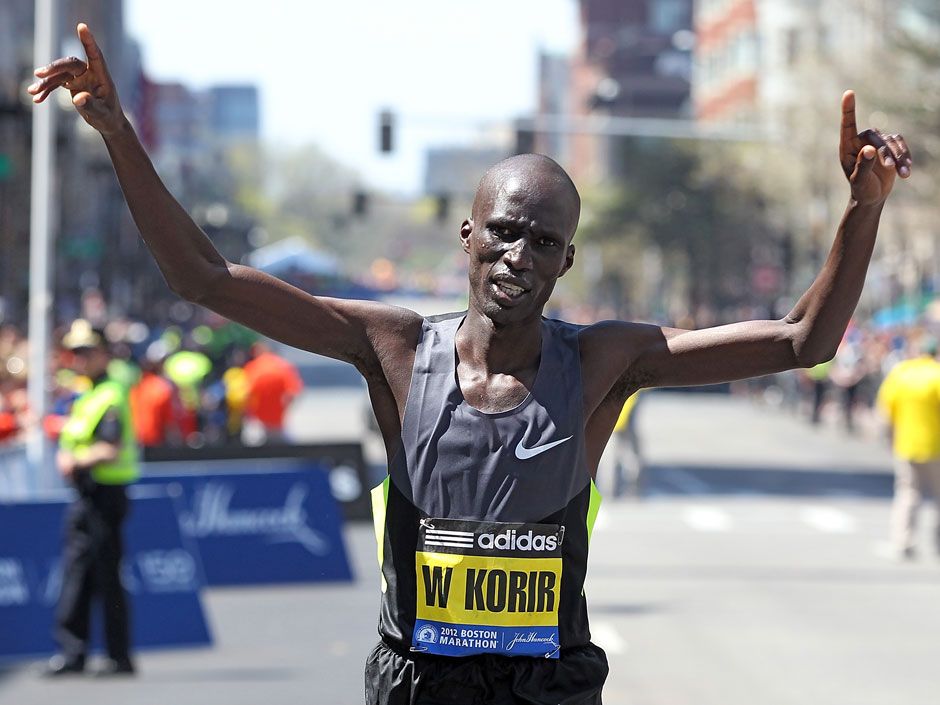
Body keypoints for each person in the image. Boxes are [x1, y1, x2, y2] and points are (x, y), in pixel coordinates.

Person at [29, 23, 911, 703]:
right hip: (417, 679)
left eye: (543, 241)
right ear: (467, 237)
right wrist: (116, 130)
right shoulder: (394, 348)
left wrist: (861, 209)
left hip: (549, 681)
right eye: (502, 231)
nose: (518, 254)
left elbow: (805, 340)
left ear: (566, 262)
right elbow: (205, 277)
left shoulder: (604, 361)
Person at [46, 319, 139, 676]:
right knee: (78, 575)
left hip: (105, 494)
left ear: (103, 353)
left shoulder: (110, 393)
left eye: (87, 351)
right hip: (86, 495)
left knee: (106, 576)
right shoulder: (87, 392)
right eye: (76, 352)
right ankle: (73, 652)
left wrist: (74, 459)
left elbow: (110, 448)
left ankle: (119, 656)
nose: (80, 358)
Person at [876, 337, 940, 560]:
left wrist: (887, 439)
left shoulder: (901, 374)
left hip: (907, 444)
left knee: (908, 494)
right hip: (936, 446)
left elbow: (885, 411)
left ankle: (903, 541)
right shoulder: (937, 376)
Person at [241, 341, 302, 445]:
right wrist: (284, 409)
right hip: (277, 419)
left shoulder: (252, 367)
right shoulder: (283, 365)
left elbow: (245, 394)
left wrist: (248, 414)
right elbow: (292, 393)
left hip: (259, 421)